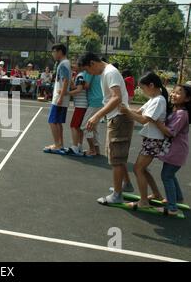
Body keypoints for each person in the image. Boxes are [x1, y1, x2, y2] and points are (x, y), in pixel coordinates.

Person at [78, 52, 134, 205]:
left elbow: (117, 98)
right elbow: (111, 98)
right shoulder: (105, 73)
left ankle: (117, 195)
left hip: (120, 119)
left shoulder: (110, 72)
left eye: (88, 70)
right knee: (116, 155)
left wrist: (97, 116)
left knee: (115, 159)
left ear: (92, 63)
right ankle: (127, 184)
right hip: (116, 117)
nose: (89, 74)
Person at [120, 72, 170, 210]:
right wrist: (125, 109)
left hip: (154, 139)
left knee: (138, 169)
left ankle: (144, 201)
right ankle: (156, 194)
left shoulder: (159, 100)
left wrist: (127, 111)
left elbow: (143, 120)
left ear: (151, 85)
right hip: (151, 138)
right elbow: (139, 112)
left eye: (143, 88)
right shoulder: (153, 98)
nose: (142, 91)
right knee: (142, 169)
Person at [156, 85, 190, 215]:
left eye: (178, 93)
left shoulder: (182, 114)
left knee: (166, 176)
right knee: (170, 174)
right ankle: (177, 198)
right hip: (173, 150)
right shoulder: (176, 111)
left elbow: (171, 133)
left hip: (177, 151)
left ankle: (172, 207)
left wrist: (156, 122)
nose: (173, 95)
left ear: (187, 99)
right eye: (173, 92)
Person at [44, 44, 71, 153]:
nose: (53, 54)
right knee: (58, 122)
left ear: (60, 52)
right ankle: (60, 144)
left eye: (54, 51)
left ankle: (57, 144)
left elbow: (65, 81)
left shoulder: (64, 64)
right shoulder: (65, 63)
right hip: (61, 98)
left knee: (52, 121)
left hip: (59, 98)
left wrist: (60, 97)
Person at [66, 63, 88, 155]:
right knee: (78, 127)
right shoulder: (80, 76)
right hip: (81, 105)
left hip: (81, 105)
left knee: (73, 126)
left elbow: (78, 90)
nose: (72, 66)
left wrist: (66, 93)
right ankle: (79, 146)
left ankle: (75, 147)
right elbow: (76, 87)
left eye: (74, 65)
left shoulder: (80, 76)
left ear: (80, 66)